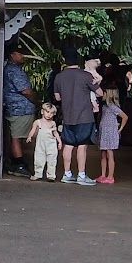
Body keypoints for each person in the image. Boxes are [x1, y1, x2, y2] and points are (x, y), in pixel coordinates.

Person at [50, 46, 99, 185]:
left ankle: (67, 174)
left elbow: (57, 98)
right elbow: (100, 93)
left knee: (68, 145)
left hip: (68, 116)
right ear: (79, 61)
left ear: (65, 60)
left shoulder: (59, 77)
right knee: (82, 146)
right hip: (84, 116)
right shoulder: (85, 75)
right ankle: (82, 176)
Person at [2, 43, 36, 176]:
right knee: (17, 136)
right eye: (20, 53)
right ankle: (19, 164)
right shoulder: (14, 70)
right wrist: (36, 100)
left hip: (16, 107)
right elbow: (26, 91)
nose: (23, 56)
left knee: (18, 135)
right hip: (20, 108)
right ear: (12, 55)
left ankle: (18, 161)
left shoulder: (10, 69)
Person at [96, 89, 129, 184]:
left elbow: (125, 117)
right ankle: (103, 175)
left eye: (104, 93)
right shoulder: (105, 106)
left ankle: (110, 176)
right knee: (103, 154)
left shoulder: (112, 107)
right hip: (104, 132)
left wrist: (120, 129)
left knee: (110, 154)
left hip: (110, 133)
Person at [27, 102, 61, 180]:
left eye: (52, 113)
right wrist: (30, 136)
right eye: (47, 112)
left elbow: (55, 132)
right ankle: (38, 174)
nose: (49, 115)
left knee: (52, 159)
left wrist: (59, 141)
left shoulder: (53, 123)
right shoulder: (38, 122)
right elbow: (33, 130)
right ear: (42, 112)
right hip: (40, 143)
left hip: (51, 144)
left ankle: (51, 175)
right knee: (39, 158)